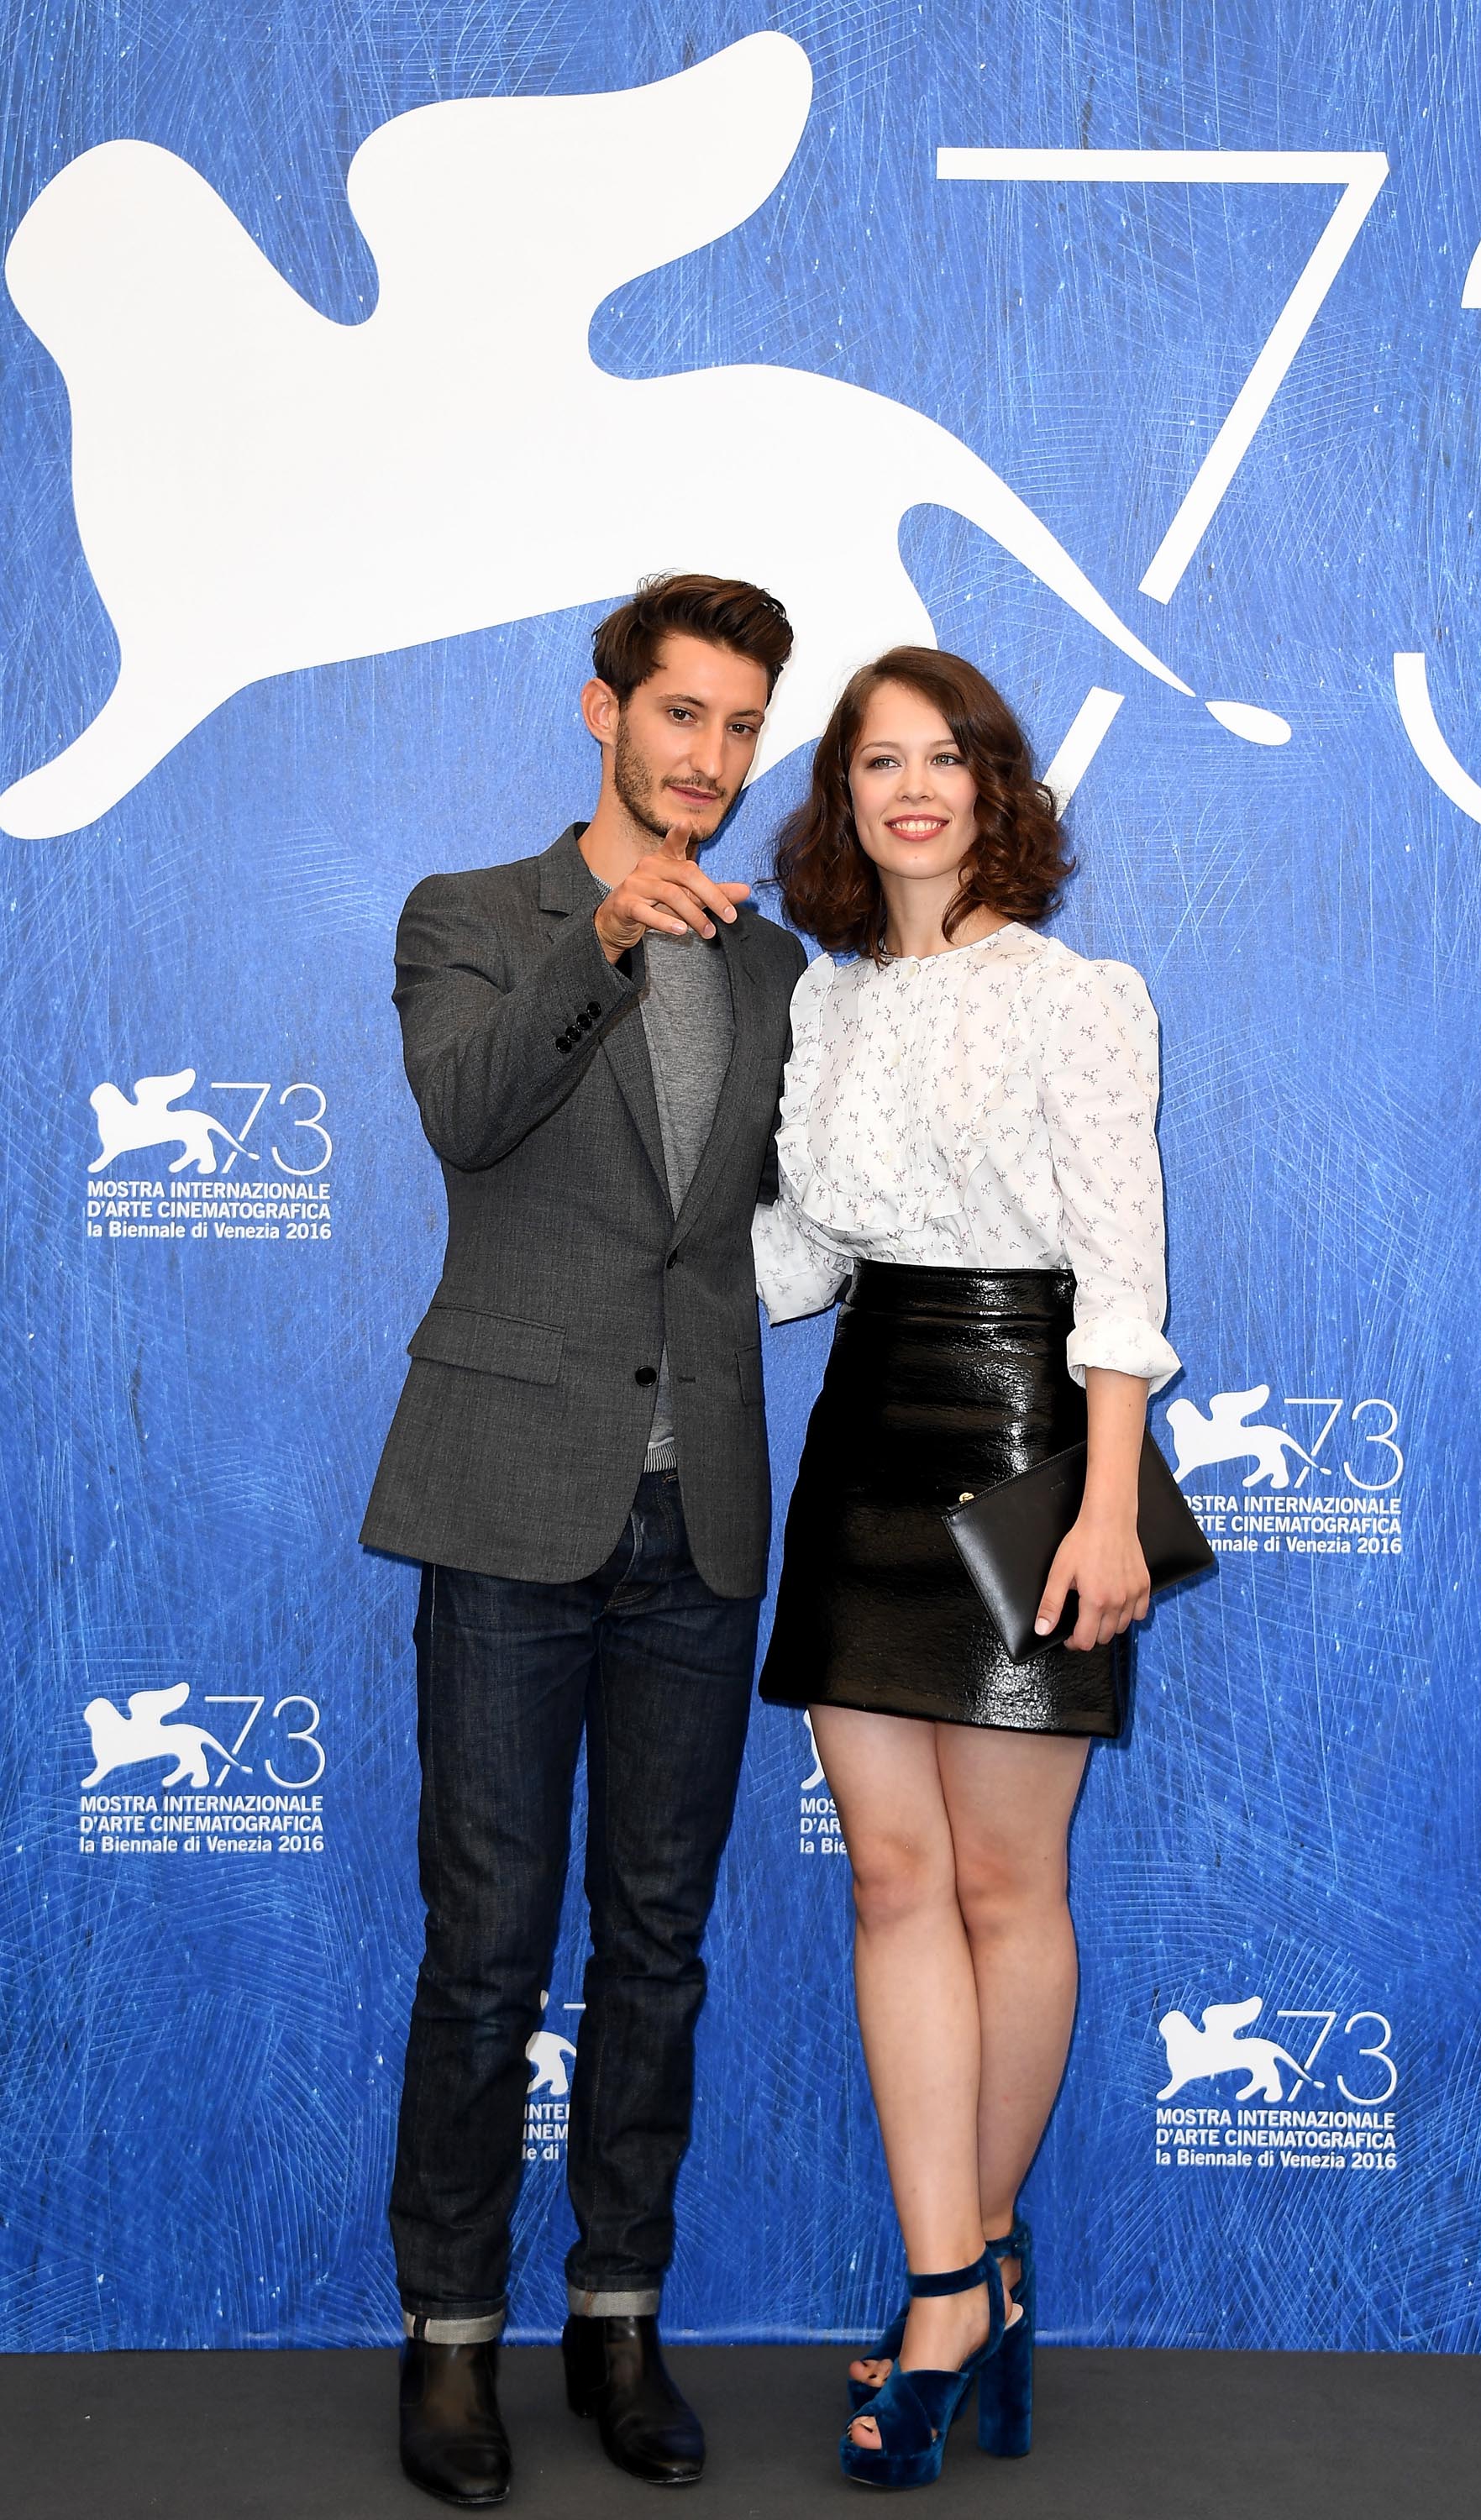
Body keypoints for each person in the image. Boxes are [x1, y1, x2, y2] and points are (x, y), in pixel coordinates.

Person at [361, 573, 806, 2505]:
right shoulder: (475, 916)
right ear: (601, 709)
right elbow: (466, 1117)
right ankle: (448, 2342)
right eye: (681, 714)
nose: (710, 759)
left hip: (696, 1515)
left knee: (660, 1947)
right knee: (484, 1950)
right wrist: (604, 943)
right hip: (506, 1496)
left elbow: (789, 1216)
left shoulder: (779, 968)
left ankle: (617, 2315)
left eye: (739, 727)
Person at [754, 647, 1179, 2490]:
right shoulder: (826, 1007)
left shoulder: (1081, 996)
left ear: (993, 787)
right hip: (863, 1434)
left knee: (1009, 1884)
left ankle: (962, 2282)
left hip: (1029, 1441)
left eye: (943, 759)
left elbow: (1121, 1274)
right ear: (840, 799)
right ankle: (955, 2273)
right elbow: (794, 1259)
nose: (909, 789)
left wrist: (1104, 1506)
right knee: (892, 1884)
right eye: (875, 762)